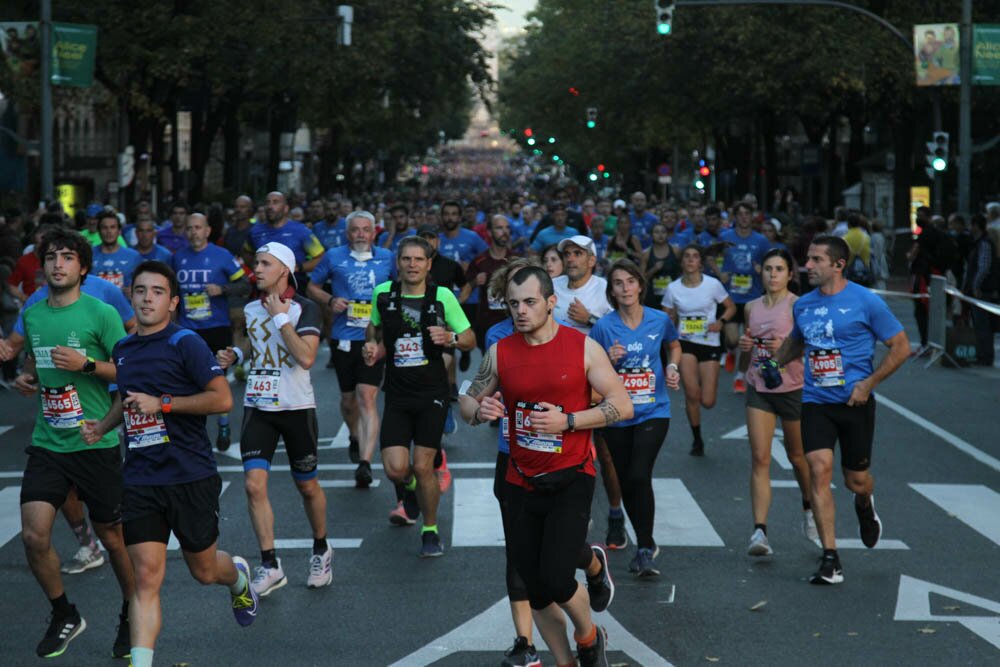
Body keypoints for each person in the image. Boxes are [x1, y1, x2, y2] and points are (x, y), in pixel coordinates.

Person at [80, 261, 258, 667]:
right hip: (141, 477)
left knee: (205, 570)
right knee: (145, 579)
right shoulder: (123, 349)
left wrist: (163, 403)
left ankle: (239, 577)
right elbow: (126, 401)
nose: (147, 298)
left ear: (173, 302)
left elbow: (222, 400)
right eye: (140, 290)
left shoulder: (186, 343)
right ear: (131, 295)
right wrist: (103, 426)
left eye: (157, 292)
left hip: (189, 474)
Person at [459, 265, 634, 667]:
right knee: (535, 588)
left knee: (556, 578)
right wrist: (478, 409)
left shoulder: (582, 347)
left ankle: (589, 638)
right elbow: (467, 400)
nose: (520, 311)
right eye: (514, 303)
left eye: (530, 302)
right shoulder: (501, 352)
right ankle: (566, 662)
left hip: (571, 476)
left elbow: (622, 405)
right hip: (520, 479)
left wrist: (569, 421)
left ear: (551, 302)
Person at [14, 228, 136, 659]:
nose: (58, 264)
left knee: (114, 537)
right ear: (42, 266)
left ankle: (131, 611)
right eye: (50, 257)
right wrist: (26, 376)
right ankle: (64, 612)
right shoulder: (33, 314)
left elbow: (130, 372)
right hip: (48, 442)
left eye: (67, 257)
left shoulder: (100, 313)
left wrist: (87, 365)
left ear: (83, 267)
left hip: (94, 442)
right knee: (33, 535)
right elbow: (34, 358)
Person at [774, 235, 909, 585]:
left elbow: (900, 346)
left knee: (856, 480)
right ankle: (830, 557)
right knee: (819, 469)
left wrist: (868, 384)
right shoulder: (803, 305)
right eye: (808, 259)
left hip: (855, 403)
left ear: (838, 265)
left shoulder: (866, 301)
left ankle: (864, 504)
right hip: (816, 401)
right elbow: (798, 341)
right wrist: (774, 363)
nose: (808, 266)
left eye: (817, 260)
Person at [217, 242, 334, 596]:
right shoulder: (252, 307)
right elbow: (256, 341)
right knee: (253, 484)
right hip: (259, 406)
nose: (257, 269)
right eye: (256, 262)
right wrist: (237, 353)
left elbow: (306, 357)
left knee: (307, 486)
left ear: (285, 269)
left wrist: (281, 316)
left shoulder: (306, 309)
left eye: (265, 263)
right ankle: (270, 565)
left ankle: (321, 549)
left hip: (297, 407)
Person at [362, 236, 475, 557]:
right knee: (396, 469)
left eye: (418, 260)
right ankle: (410, 491)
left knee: (423, 466)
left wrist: (450, 337)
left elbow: (469, 338)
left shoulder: (442, 297)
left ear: (429, 264)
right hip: (397, 392)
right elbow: (374, 328)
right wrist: (372, 346)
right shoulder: (383, 294)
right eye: (406, 259)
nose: (412, 265)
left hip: (431, 394)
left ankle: (430, 530)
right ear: (398, 263)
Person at [589, 260, 681, 576]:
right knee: (627, 478)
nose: (625, 288)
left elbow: (674, 344)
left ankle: (644, 547)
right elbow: (590, 370)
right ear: (611, 290)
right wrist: (607, 360)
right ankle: (646, 543)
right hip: (616, 412)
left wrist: (672, 367)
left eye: (630, 282)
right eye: (618, 283)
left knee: (639, 474)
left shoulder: (659, 320)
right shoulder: (603, 327)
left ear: (640, 285)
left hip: (653, 410)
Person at [737, 248, 816, 557]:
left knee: (798, 457)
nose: (772, 274)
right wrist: (743, 347)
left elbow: (810, 347)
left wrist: (785, 347)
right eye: (768, 269)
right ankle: (760, 531)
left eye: (779, 269)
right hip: (760, 387)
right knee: (760, 459)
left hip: (794, 387)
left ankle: (809, 509)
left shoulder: (799, 306)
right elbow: (746, 359)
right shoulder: (751, 308)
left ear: (790, 274)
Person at [306, 211, 395, 485]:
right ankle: (355, 436)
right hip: (343, 336)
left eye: (365, 230)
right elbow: (312, 287)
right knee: (348, 400)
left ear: (373, 233)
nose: (360, 234)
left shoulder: (387, 258)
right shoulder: (333, 256)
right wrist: (330, 300)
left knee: (367, 397)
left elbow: (400, 288)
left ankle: (366, 463)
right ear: (348, 233)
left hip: (374, 337)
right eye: (355, 230)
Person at [550, 235, 625, 549]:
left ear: (592, 260)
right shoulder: (550, 288)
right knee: (559, 451)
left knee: (606, 454)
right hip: (557, 380)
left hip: (598, 377)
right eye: (567, 252)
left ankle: (615, 514)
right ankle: (565, 516)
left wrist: (590, 320)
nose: (571, 258)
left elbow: (622, 328)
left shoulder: (606, 289)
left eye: (578, 253)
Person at [172, 213, 249, 451]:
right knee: (188, 381)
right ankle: (193, 430)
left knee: (218, 379)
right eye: (190, 228)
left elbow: (245, 284)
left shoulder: (222, 255)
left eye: (198, 227)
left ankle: (223, 423)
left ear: (207, 231)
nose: (194, 232)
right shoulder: (177, 258)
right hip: (188, 329)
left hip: (216, 326)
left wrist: (223, 289)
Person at [661, 245, 736, 456]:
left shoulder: (713, 285)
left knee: (708, 401)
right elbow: (666, 316)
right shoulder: (673, 288)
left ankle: (725, 356)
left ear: (700, 262)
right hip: (685, 343)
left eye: (695, 256)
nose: (691, 260)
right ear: (682, 262)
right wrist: (669, 328)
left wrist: (720, 322)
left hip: (709, 342)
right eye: (687, 256)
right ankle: (697, 439)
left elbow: (731, 307)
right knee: (692, 394)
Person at [720, 202, 770, 393]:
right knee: (733, 339)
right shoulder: (725, 238)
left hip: (753, 297)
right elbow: (711, 257)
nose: (743, 217)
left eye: (746, 214)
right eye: (739, 214)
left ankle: (740, 376)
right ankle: (731, 351)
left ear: (752, 217)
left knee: (748, 342)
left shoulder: (761, 241)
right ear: (735, 217)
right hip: (731, 297)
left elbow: (771, 264)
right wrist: (720, 272)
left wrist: (762, 271)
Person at [246, 191, 326, 291]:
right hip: (264, 288)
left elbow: (321, 258)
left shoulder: (301, 231)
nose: (270, 206)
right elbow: (246, 252)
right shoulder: (254, 232)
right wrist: (256, 266)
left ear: (286, 208)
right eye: (267, 202)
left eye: (275, 202)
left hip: (294, 286)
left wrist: (298, 268)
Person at [962, 215, 997, 366]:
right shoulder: (979, 243)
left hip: (982, 290)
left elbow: (984, 267)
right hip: (980, 288)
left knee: (982, 324)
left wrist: (976, 285)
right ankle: (983, 353)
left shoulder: (984, 244)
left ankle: (985, 355)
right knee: (980, 323)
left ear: (976, 226)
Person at [92, 211, 142, 294]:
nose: (109, 231)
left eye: (113, 227)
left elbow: (142, 284)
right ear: (99, 231)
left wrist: (135, 290)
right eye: (104, 227)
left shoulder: (134, 256)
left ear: (119, 231)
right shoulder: (90, 255)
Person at [641, 222, 682, 308]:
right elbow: (641, 279)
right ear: (651, 235)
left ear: (667, 234)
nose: (660, 235)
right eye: (656, 232)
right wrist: (653, 269)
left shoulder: (676, 251)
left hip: (673, 296)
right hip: (652, 298)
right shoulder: (646, 254)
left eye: (663, 232)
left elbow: (683, 272)